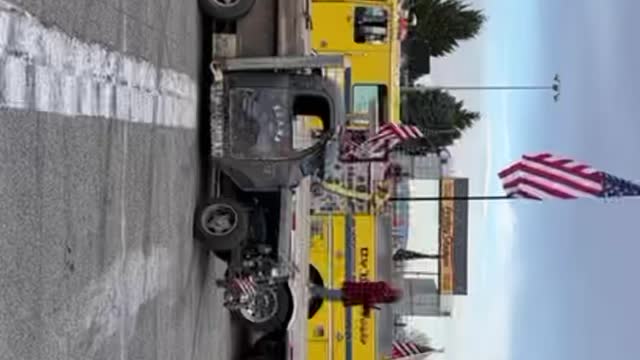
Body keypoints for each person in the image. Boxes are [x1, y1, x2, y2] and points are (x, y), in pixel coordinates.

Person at [310, 280, 402, 317]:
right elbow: (370, 298)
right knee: (333, 295)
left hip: (354, 289)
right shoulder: (384, 293)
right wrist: (367, 311)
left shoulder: (385, 286)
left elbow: (370, 294)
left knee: (333, 295)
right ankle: (312, 290)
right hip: (354, 294)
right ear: (392, 298)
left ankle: (314, 291)